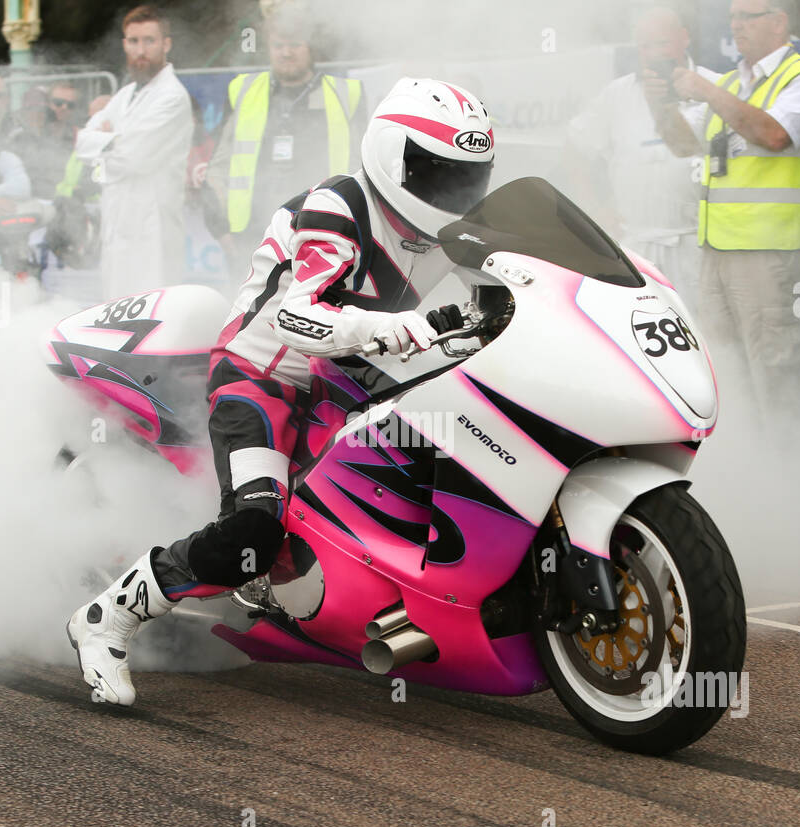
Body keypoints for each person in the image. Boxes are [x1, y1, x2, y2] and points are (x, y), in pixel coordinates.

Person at [64, 77, 495, 707]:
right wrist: (402, 328)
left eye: (466, 176)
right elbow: (300, 316)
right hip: (264, 377)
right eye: (436, 173)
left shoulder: (448, 227)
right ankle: (108, 617)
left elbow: (509, 281)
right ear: (391, 155)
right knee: (253, 533)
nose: (453, 192)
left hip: (356, 378)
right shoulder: (338, 207)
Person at [647, 0, 800, 436]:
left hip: (770, 250)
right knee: (723, 369)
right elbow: (684, 145)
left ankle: (794, 466)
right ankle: (748, 467)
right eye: (733, 18)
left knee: (776, 368)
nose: (737, 26)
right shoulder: (730, 83)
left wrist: (705, 91)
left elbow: (775, 135)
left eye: (748, 17)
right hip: (719, 249)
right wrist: (661, 105)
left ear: (779, 22)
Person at [563, 7, 718, 314]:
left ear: (684, 39)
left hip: (698, 249)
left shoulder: (714, 87)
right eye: (645, 46)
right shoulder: (617, 95)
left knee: (704, 336)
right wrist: (594, 209)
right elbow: (575, 147)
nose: (653, 54)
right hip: (635, 246)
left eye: (662, 44)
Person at [202, 3, 366, 275]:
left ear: (310, 45)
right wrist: (220, 230)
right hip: (252, 237)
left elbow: (361, 170)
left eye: (294, 44)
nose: (286, 52)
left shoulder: (346, 95)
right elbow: (218, 166)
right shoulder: (243, 91)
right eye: (278, 45)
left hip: (322, 234)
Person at [74, 5, 195, 300]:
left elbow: (136, 158)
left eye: (149, 41)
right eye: (133, 41)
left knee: (152, 312)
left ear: (166, 44)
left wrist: (105, 141)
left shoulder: (172, 97)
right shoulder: (126, 94)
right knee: (116, 310)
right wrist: (114, 142)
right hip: (118, 219)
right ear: (124, 44)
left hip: (152, 225)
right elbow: (81, 144)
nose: (141, 50)